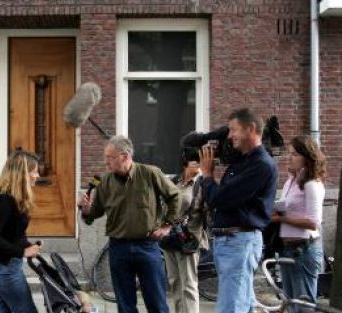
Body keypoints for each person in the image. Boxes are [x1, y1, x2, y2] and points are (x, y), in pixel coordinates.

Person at [79, 135, 178, 313]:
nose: (105, 161)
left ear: (124, 156)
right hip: (118, 248)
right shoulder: (104, 183)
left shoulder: (150, 173)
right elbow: (93, 215)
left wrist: (167, 226)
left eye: (109, 157)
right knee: (125, 306)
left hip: (147, 246)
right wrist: (85, 209)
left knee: (157, 303)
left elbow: (175, 196)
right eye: (105, 157)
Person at [199, 108, 279, 313]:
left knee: (231, 306)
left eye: (233, 130)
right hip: (232, 241)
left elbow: (219, 198)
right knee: (242, 303)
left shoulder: (260, 164)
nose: (229, 136)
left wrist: (207, 175)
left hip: (239, 242)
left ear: (250, 129)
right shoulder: (243, 161)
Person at [0, 150, 42, 313]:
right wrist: (22, 251)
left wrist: (28, 246)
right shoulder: (2, 201)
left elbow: (13, 233)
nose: (38, 175)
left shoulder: (15, 199)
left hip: (2, 265)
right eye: (34, 171)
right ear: (22, 174)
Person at [271, 135, 325, 312]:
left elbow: (313, 223)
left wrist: (282, 219)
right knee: (290, 304)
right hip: (288, 248)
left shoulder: (311, 184)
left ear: (307, 157)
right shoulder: (290, 181)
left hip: (304, 249)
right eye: (289, 153)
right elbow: (286, 205)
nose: (289, 157)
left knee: (303, 307)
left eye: (294, 154)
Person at [163, 155, 209, 313]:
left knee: (189, 283)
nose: (198, 163)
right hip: (170, 236)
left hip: (189, 238)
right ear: (185, 163)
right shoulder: (174, 181)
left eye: (200, 160)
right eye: (194, 160)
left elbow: (208, 210)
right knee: (174, 281)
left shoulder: (201, 183)